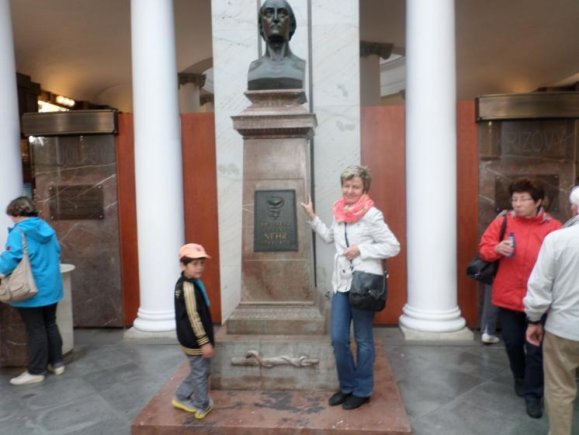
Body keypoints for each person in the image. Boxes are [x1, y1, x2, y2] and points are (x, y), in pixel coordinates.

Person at [300, 165, 400, 410]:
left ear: (364, 189)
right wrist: (313, 217)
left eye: (356, 186)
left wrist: (361, 250)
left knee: (363, 339)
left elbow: (393, 246)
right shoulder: (339, 212)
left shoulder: (372, 215)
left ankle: (362, 390)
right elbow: (329, 238)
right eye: (347, 185)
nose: (350, 191)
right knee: (338, 339)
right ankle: (347, 387)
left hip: (363, 285)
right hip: (342, 284)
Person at [478, 178, 561, 418]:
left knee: (535, 349)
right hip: (508, 296)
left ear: (538, 201)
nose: (517, 204)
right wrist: (496, 249)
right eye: (514, 199)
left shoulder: (554, 228)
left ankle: (534, 395)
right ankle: (520, 376)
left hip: (540, 299)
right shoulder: (503, 221)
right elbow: (484, 249)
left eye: (524, 199)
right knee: (513, 343)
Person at [524, 186, 579, 435]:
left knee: (559, 389)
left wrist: (533, 320)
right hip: (564, 326)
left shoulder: (558, 239)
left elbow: (540, 285)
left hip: (564, 328)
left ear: (574, 208)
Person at [0, 196, 65, 385]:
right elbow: (57, 251)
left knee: (35, 329)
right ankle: (57, 363)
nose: (11, 219)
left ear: (16, 214)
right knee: (50, 324)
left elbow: (11, 258)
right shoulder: (47, 228)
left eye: (11, 215)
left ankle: (36, 371)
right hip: (51, 286)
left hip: (31, 288)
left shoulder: (19, 232)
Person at [172, 243, 215, 420]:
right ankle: (202, 405)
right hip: (195, 340)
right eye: (195, 264)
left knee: (200, 370)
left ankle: (181, 396)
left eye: (202, 263)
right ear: (183, 265)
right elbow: (193, 316)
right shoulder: (188, 288)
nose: (199, 268)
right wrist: (204, 342)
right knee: (200, 372)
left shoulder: (186, 282)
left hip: (189, 337)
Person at [248, 0, 306, 90]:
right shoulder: (254, 69)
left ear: (291, 25)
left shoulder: (299, 66)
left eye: (282, 14)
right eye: (268, 14)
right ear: (261, 26)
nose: (275, 18)